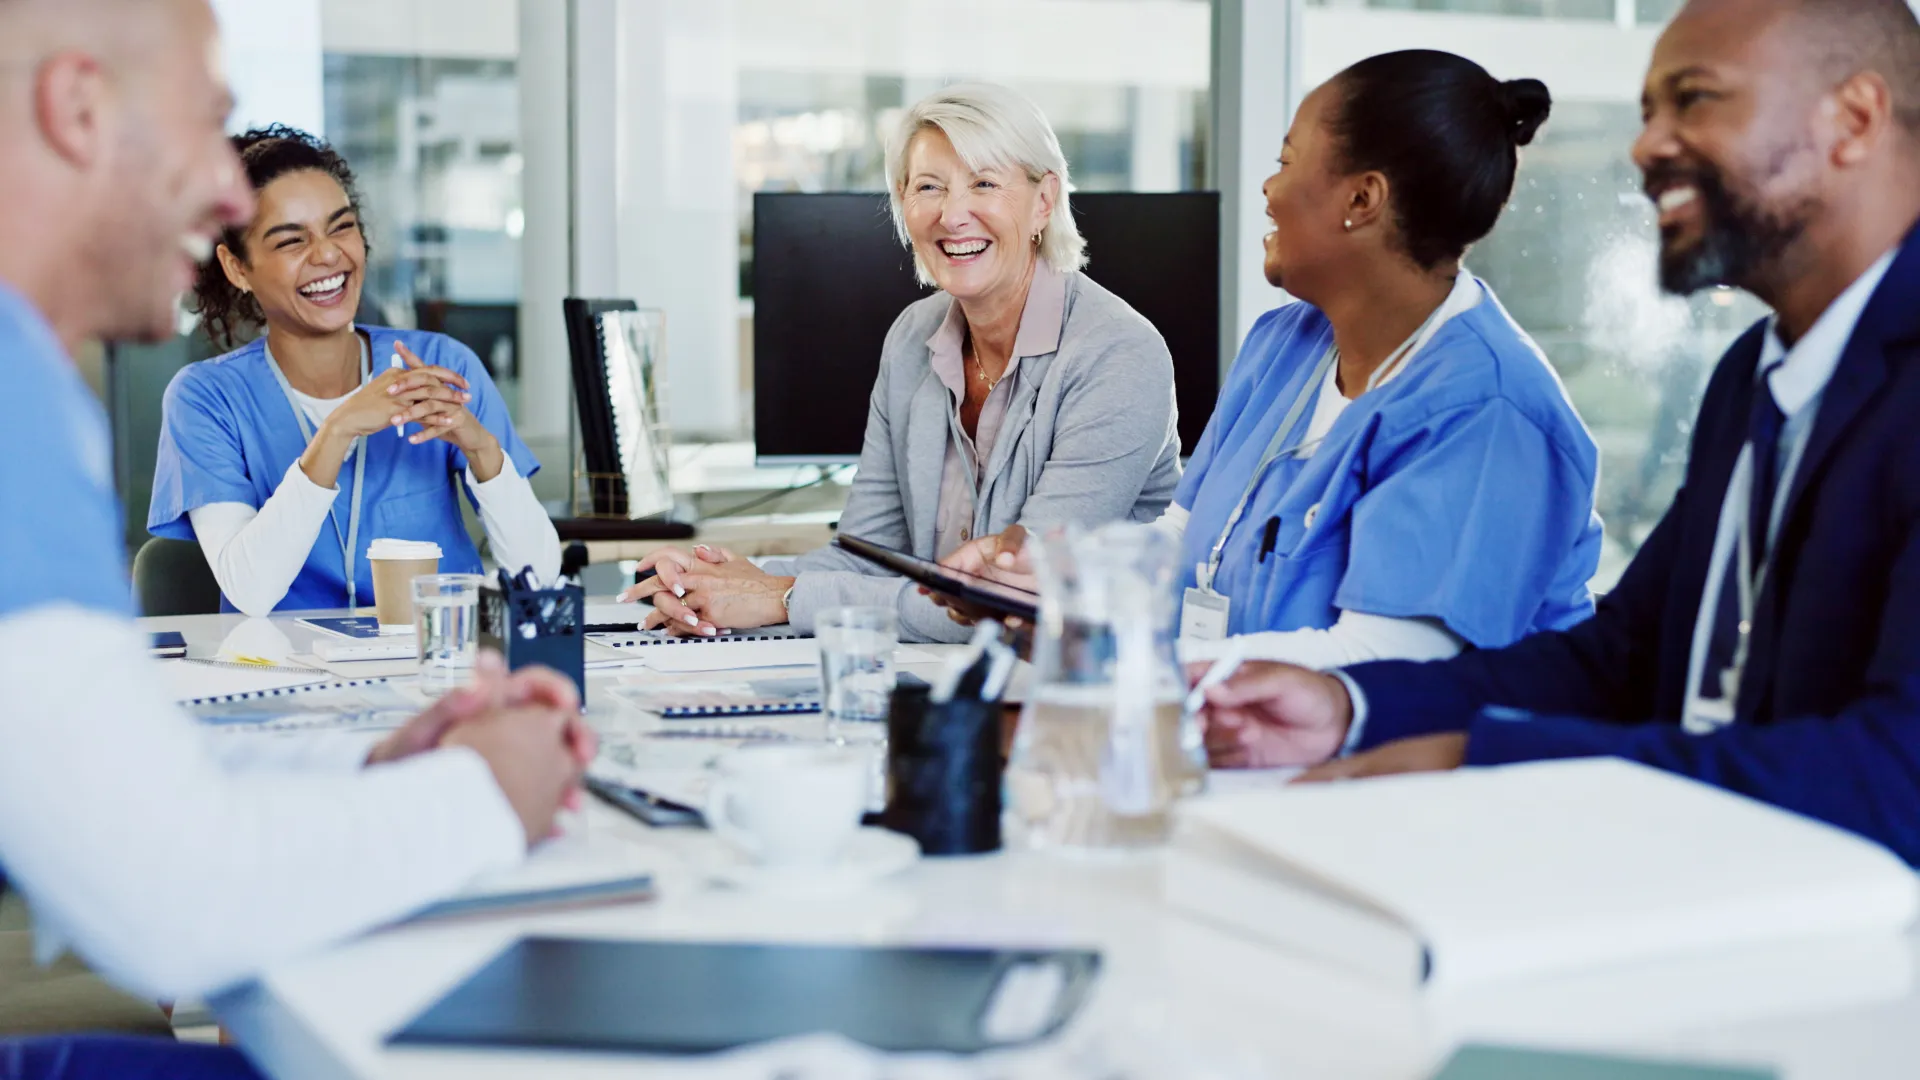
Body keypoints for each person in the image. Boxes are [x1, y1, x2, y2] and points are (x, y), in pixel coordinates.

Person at [0, 1, 589, 1074]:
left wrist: (377, 756)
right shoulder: (31, 412)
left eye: (337, 222)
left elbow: (121, 772)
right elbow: (173, 898)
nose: (227, 191)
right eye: (202, 118)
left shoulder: (34, 386)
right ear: (79, 109)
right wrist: (484, 794)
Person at [1196, 0, 1920, 865]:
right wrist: (1354, 706)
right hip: (1719, 882)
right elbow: (1625, 658)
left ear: (1855, 120)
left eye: (1695, 100)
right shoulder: (1755, 375)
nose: (1646, 145)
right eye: (1650, 111)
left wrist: (1487, 758)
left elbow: (1899, 777)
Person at [944, 52, 1603, 673]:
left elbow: (1384, 660)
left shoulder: (1484, 409)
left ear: (1362, 200)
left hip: (1427, 778)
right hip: (1250, 745)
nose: (1267, 187)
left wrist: (1128, 659)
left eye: (1287, 161)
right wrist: (1045, 582)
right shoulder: (1284, 344)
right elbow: (1180, 542)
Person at [614, 82, 1183, 644]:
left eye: (984, 183)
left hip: (1089, 697)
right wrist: (720, 581)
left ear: (1044, 200)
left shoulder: (1118, 355)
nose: (952, 215)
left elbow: (1014, 602)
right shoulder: (914, 337)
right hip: (955, 682)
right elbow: (869, 555)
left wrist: (780, 596)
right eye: (928, 187)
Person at [148, 126, 560, 616]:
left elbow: (539, 575)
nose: (327, 255)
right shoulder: (206, 399)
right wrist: (339, 428)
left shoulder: (439, 367)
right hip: (283, 673)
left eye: (340, 227)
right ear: (238, 268)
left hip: (435, 664)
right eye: (290, 241)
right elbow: (250, 591)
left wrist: (481, 448)